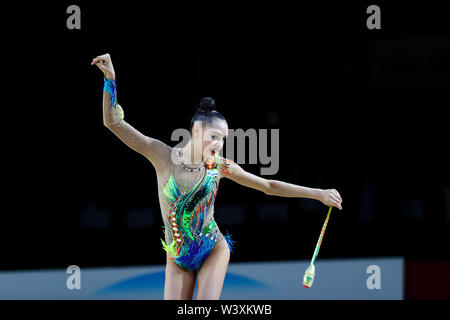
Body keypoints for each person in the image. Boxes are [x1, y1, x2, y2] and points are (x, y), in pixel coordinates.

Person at [91, 53, 343, 300]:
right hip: (177, 254)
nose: (219, 144)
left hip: (213, 247)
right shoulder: (162, 156)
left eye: (224, 139)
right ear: (197, 129)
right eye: (214, 136)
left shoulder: (220, 167)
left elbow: (268, 185)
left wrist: (318, 194)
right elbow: (113, 123)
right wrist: (110, 79)